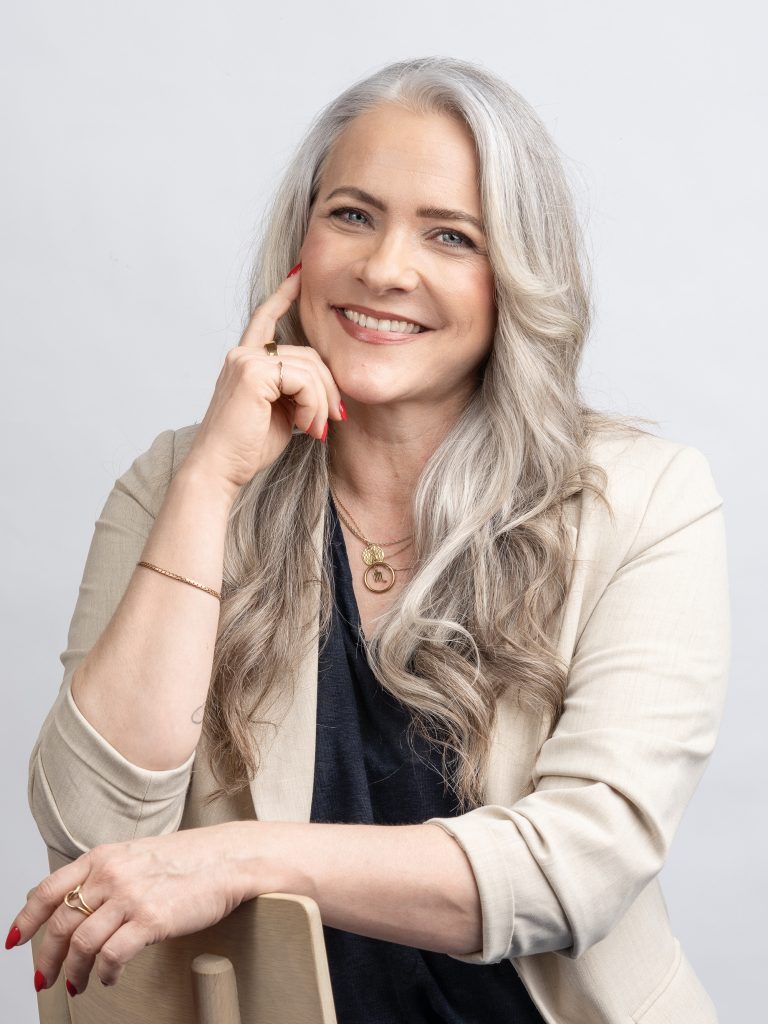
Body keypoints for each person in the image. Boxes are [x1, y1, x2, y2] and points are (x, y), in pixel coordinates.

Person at [7, 56, 728, 1023]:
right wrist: (209, 486)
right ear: (299, 243)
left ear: (515, 278)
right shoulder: (182, 478)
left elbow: (580, 869)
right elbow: (91, 837)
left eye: (451, 235)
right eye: (352, 214)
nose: (386, 268)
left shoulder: (645, 497)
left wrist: (238, 858)